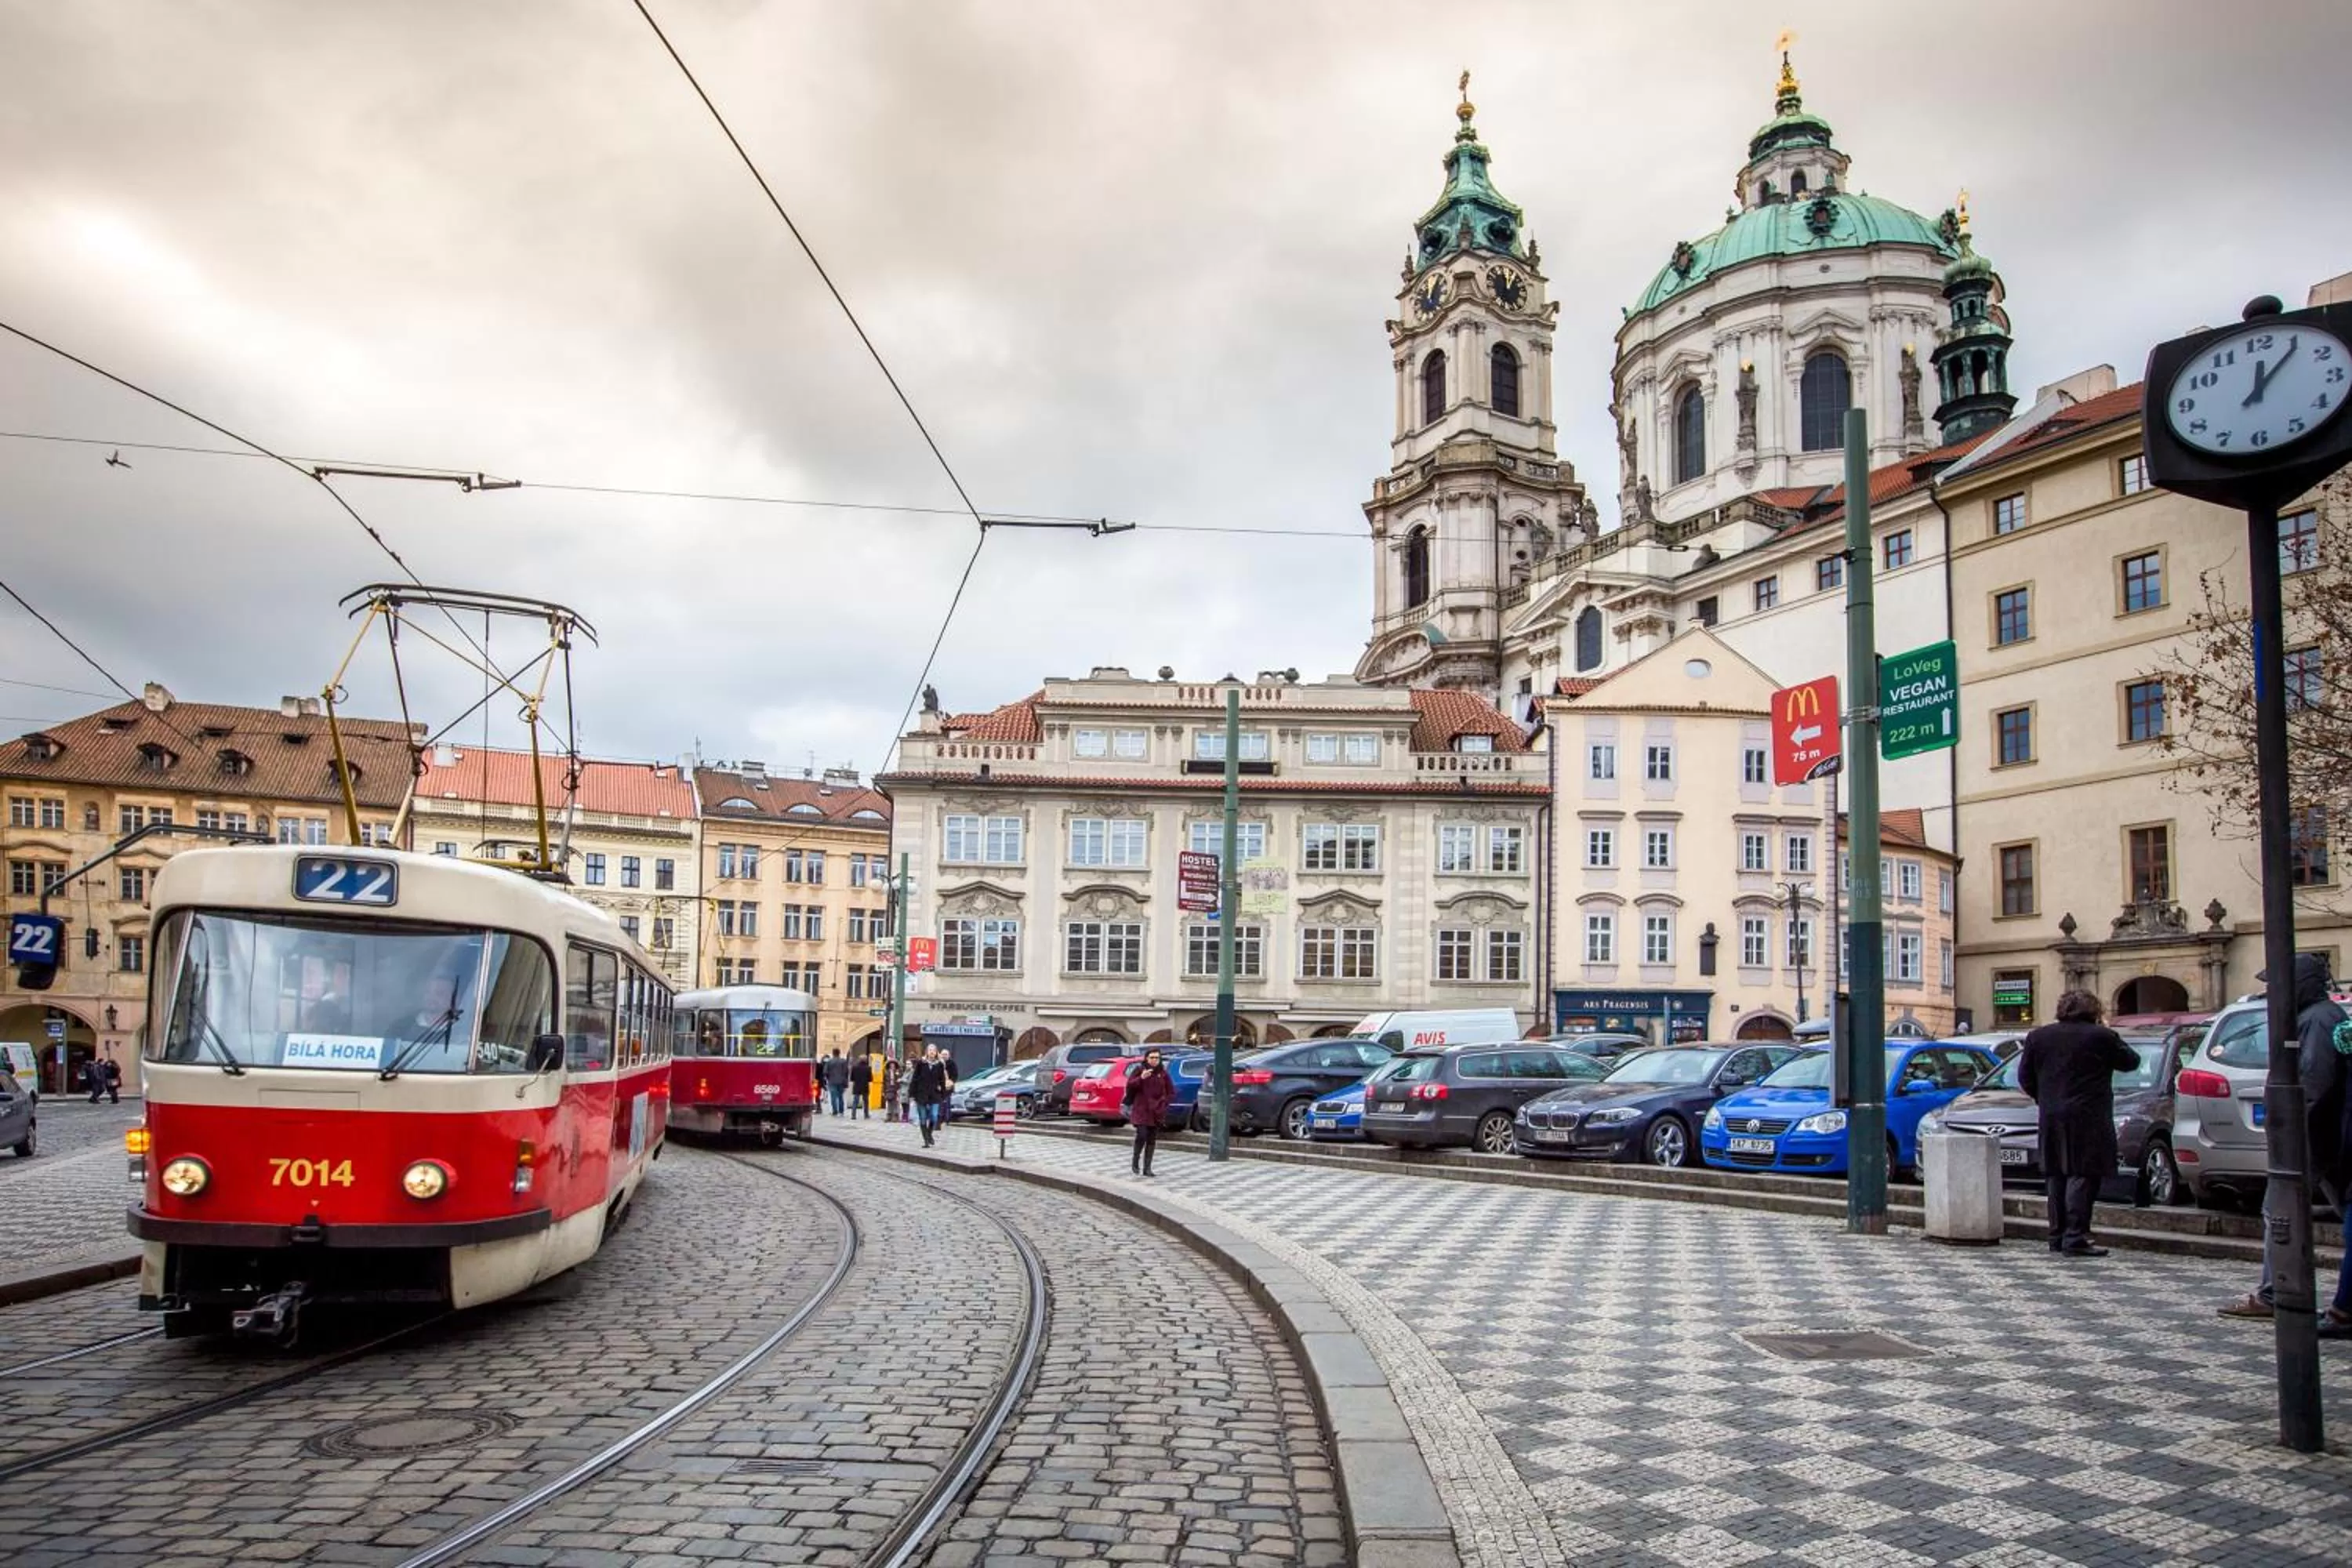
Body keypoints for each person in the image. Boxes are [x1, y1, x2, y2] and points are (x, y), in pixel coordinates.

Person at [2220, 953, 2350, 1319]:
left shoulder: (2318, 1021)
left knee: (2280, 1212)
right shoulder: (2319, 1018)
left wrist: (2289, 1131)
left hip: (2316, 1140)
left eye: (2276, 985)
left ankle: (2276, 1292)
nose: (2270, 994)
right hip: (2320, 1138)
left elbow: (2314, 1083)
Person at [2017, 991, 2140, 1258]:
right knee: (2083, 1174)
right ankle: (2076, 1236)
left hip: (2051, 1114)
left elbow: (2024, 1077)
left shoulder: (2039, 1036)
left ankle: (2057, 1235)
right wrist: (2107, 1030)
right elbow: (2131, 1062)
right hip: (2089, 1114)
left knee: (2056, 1174)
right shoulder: (2101, 1036)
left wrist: (2046, 1098)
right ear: (2093, 1010)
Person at [1123, 1048, 1174, 1177]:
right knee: (1142, 1135)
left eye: (1157, 1058)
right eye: (1152, 1057)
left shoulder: (1163, 1073)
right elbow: (1130, 1086)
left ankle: (1147, 1168)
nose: (1154, 1060)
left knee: (1152, 1139)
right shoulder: (1140, 1070)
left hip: (1156, 1111)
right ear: (1146, 1058)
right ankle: (1135, 1160)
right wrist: (1141, 1078)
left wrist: (1164, 1103)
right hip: (1141, 1108)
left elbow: (1171, 1092)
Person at [909, 1047, 953, 1147]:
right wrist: (912, 1094)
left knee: (934, 1116)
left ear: (936, 1052)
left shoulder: (939, 1065)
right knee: (923, 1118)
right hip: (921, 1094)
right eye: (930, 1050)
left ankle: (929, 1134)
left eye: (934, 1050)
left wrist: (943, 1094)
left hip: (934, 1095)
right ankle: (926, 1141)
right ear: (927, 1052)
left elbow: (942, 1080)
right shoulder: (921, 1063)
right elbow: (915, 1079)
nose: (932, 1052)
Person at [821, 1051, 850, 1117]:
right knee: (840, 1097)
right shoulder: (844, 1061)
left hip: (832, 1081)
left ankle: (835, 1111)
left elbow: (825, 1072)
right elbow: (846, 1072)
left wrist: (828, 1078)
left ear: (833, 1053)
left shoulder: (829, 1062)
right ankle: (841, 1111)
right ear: (839, 1053)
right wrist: (845, 1081)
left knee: (833, 1097)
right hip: (841, 1082)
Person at [849, 1053, 873, 1120]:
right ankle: (866, 1115)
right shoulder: (868, 1068)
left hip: (857, 1086)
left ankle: (853, 1115)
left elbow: (852, 1078)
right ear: (865, 1060)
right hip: (865, 1086)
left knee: (855, 1101)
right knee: (866, 1101)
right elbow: (870, 1079)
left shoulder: (855, 1067)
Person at [882, 1055, 903, 1123]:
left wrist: (899, 1088)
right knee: (889, 1102)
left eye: (893, 1064)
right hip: (888, 1089)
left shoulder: (898, 1072)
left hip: (896, 1089)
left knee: (896, 1103)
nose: (892, 1066)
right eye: (891, 1064)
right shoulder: (886, 1072)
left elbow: (900, 1080)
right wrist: (883, 1090)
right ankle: (889, 1115)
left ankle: (895, 1115)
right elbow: (884, 1082)